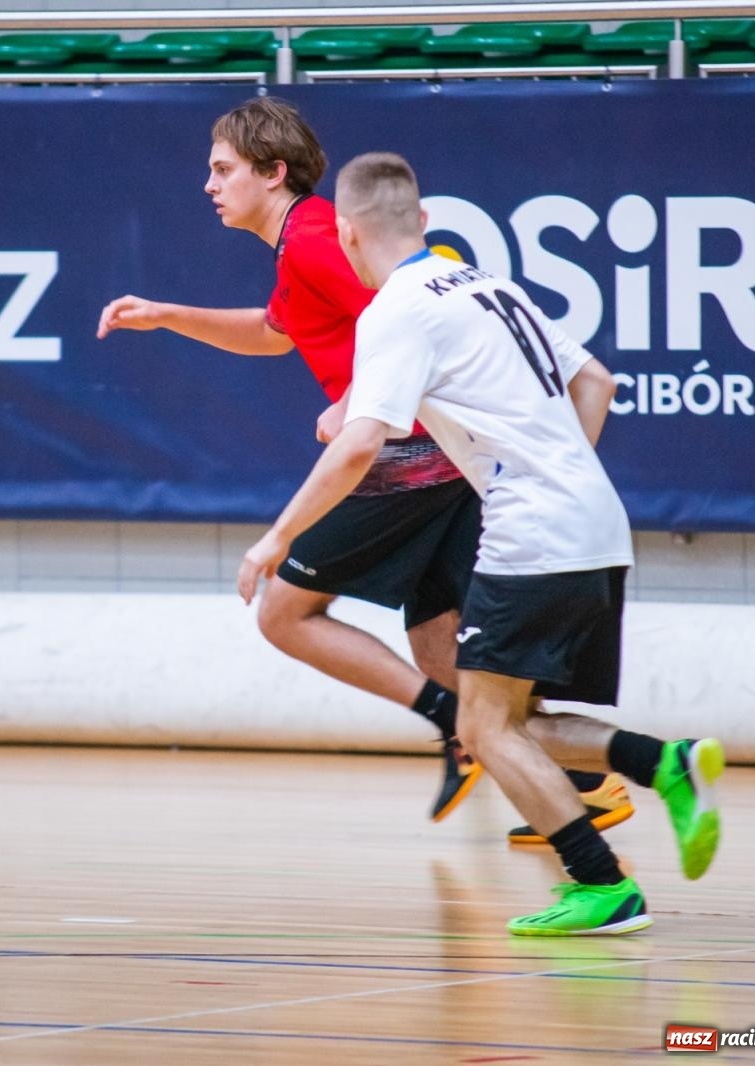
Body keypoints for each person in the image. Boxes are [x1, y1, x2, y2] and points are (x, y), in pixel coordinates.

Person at [96, 96, 633, 835]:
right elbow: (277, 332)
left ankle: (459, 727)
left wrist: (352, 401)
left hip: (411, 453)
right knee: (438, 640)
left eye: (223, 169)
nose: (209, 184)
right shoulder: (301, 246)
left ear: (273, 172)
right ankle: (578, 783)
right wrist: (167, 315)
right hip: (441, 458)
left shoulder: (317, 235)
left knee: (283, 612)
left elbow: (399, 307)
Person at [237, 150, 723, 934]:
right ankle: (659, 765)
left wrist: (274, 540)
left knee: (483, 726)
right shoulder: (489, 283)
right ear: (425, 222)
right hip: (596, 524)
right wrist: (557, 473)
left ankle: (603, 888)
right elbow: (595, 380)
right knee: (502, 719)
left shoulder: (397, 309)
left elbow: (361, 445)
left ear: (350, 236)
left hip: (531, 531)